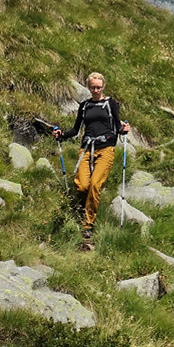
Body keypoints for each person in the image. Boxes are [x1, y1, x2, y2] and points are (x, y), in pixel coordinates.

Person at [54, 72, 129, 245]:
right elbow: (76, 129)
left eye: (99, 87)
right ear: (88, 87)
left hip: (106, 148)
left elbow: (117, 126)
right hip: (86, 148)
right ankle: (83, 210)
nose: (96, 90)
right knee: (81, 185)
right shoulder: (85, 105)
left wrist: (124, 129)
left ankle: (88, 224)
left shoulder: (111, 104)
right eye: (93, 87)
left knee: (95, 185)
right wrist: (62, 135)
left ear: (103, 87)